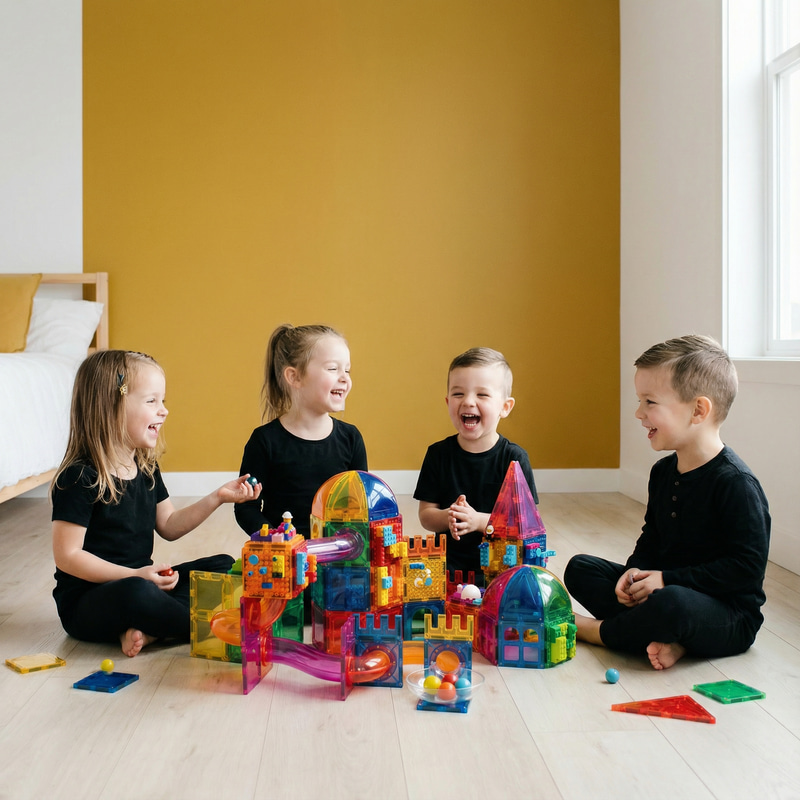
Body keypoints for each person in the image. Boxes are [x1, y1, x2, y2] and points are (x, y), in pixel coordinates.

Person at [564, 335, 770, 670]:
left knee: (672, 604)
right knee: (580, 568)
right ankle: (670, 640)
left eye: (650, 402)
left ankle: (597, 632)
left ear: (698, 410)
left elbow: (744, 570)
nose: (638, 413)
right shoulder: (663, 472)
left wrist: (668, 581)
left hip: (726, 614)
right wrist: (634, 572)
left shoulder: (736, 484)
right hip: (665, 590)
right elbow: (652, 536)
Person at [51, 350, 260, 658]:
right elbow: (67, 556)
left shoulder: (146, 468)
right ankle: (214, 628)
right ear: (112, 405)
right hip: (91, 600)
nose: (163, 411)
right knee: (139, 595)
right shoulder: (80, 477)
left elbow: (170, 526)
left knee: (223, 564)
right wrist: (134, 576)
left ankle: (152, 630)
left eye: (163, 401)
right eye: (151, 401)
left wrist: (218, 497)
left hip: (141, 581)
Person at [414, 347, 538, 584]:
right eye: (458, 394)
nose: (468, 401)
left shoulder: (514, 458)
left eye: (482, 395)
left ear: (505, 407)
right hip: (449, 561)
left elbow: (526, 524)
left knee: (522, 580)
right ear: (448, 401)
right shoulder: (438, 454)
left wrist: (478, 521)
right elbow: (426, 515)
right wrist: (450, 516)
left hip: (500, 561)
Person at [234, 324, 367, 540]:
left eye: (347, 370)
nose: (344, 378)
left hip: (337, 554)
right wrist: (273, 538)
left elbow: (361, 506)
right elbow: (246, 508)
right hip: (285, 559)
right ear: (294, 377)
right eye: (333, 369)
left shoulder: (351, 438)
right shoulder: (264, 441)